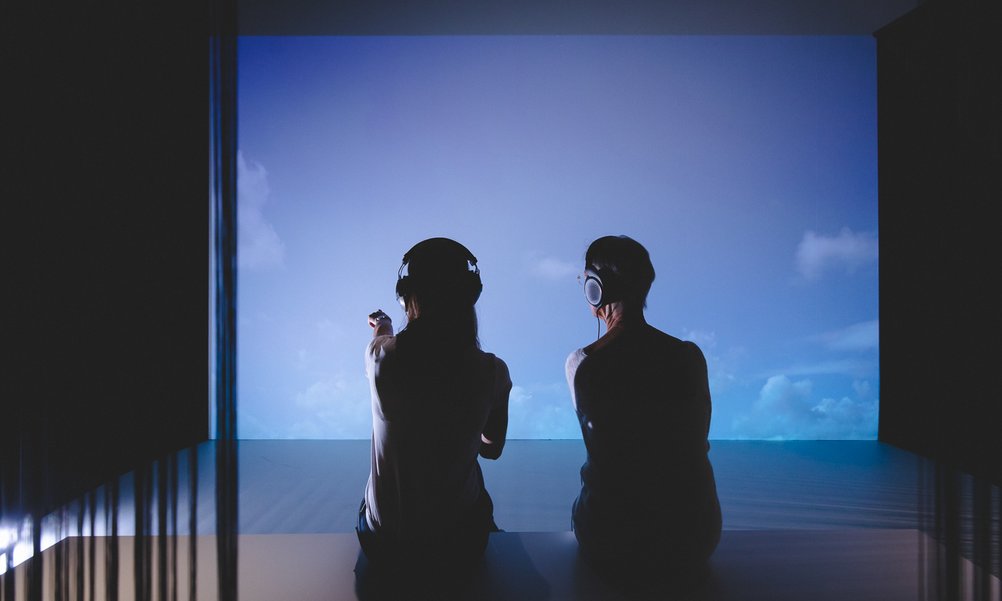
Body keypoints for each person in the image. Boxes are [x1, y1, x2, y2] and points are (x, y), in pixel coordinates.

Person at [566, 235, 721, 583]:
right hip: (696, 537)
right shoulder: (689, 356)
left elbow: (605, 450)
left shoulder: (583, 364)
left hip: (616, 542)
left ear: (596, 288)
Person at [356, 237, 511, 579]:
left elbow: (381, 335)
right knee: (476, 479)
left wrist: (383, 324)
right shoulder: (492, 371)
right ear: (469, 296)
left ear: (406, 296)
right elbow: (492, 449)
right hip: (456, 550)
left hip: (385, 547)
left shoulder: (381, 359)